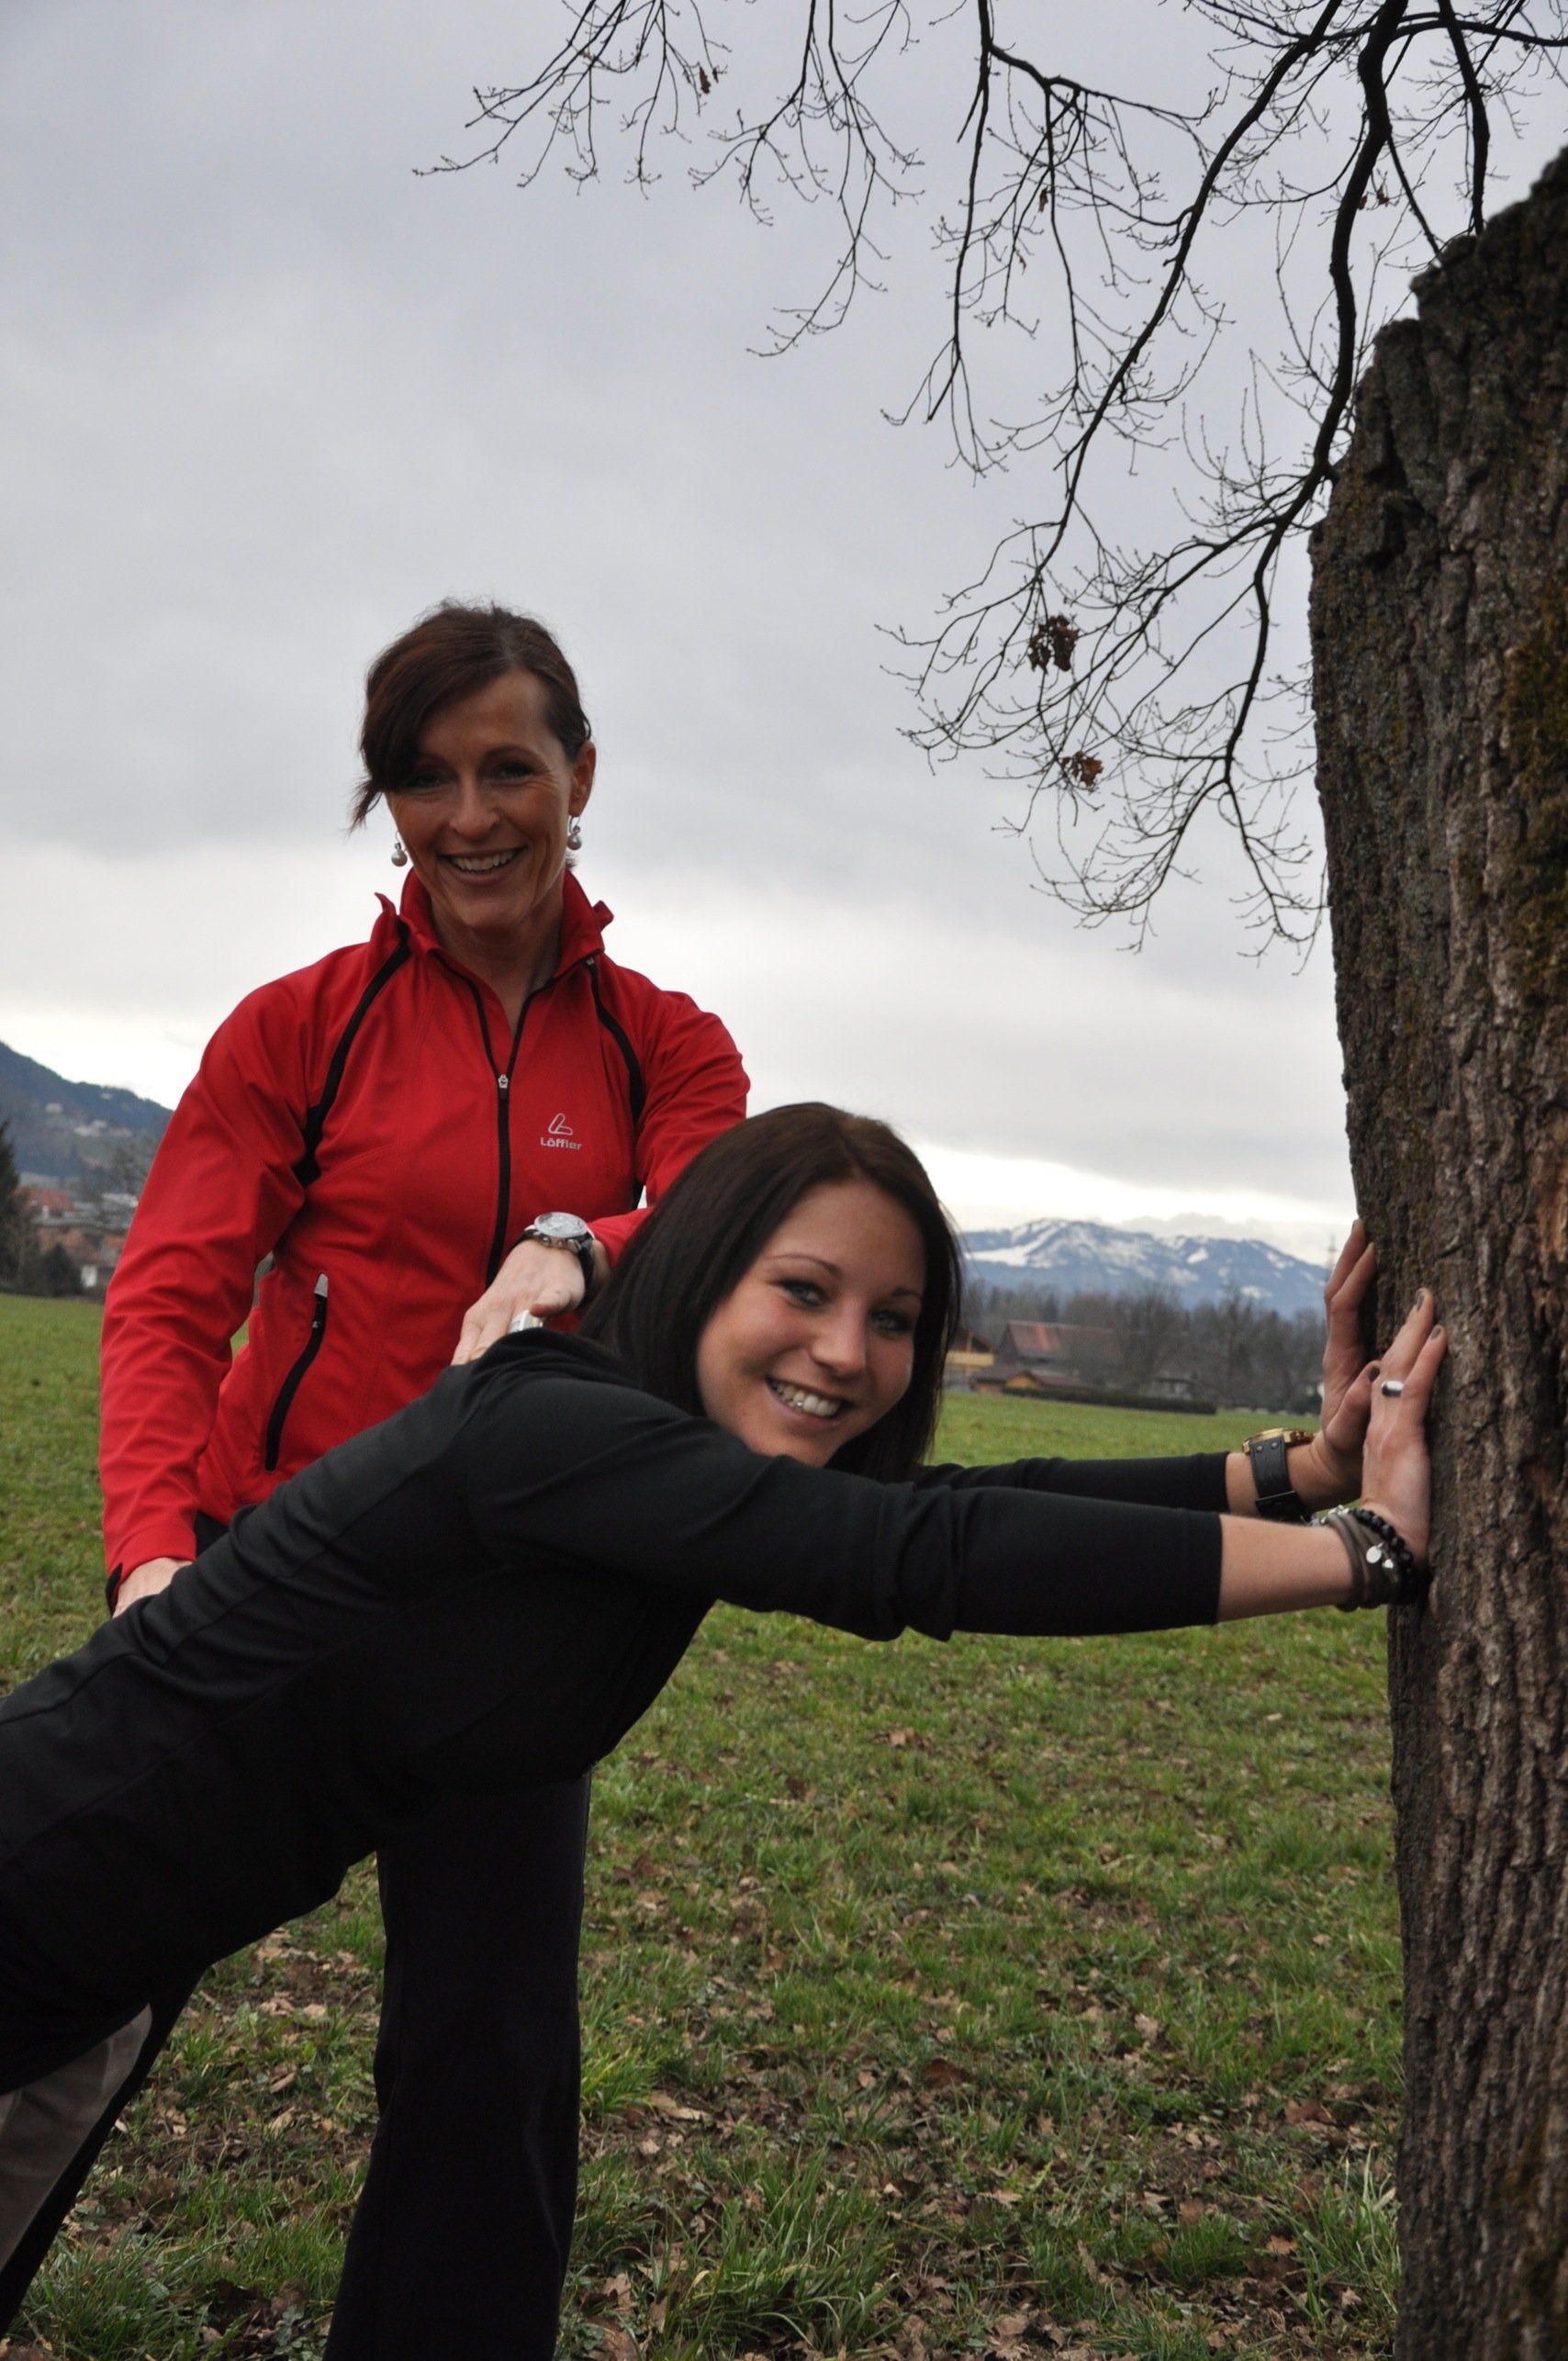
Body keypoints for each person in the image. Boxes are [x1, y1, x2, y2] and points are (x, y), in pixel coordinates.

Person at [0, 1103, 1443, 2334]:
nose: (847, 1351)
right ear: (697, 1268)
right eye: (803, 1291)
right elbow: (919, 1558)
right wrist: (1365, 1557)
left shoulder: (654, 1473)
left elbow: (943, 1505)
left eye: (893, 1319)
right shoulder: (547, 1426)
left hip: (98, 1958)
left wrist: (1303, 1473)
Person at [91, 603, 747, 2360]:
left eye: (508, 769)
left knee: (488, 2074)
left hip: (507, 1620)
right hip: (265, 1574)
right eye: (424, 778)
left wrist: (578, 1244)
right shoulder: (298, 1030)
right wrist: (154, 1560)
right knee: (57, 1991)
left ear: (581, 775)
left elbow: (716, 1214)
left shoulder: (668, 1046)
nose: (470, 817)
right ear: (387, 800)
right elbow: (168, 1301)